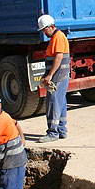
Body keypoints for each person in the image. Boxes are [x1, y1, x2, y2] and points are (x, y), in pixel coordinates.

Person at [37, 14, 70, 143]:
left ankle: (53, 133)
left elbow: (58, 57)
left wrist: (50, 75)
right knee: (60, 102)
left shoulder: (58, 37)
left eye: (45, 30)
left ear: (51, 27)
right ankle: (61, 130)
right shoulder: (56, 37)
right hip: (60, 75)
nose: (44, 33)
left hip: (58, 76)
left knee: (53, 103)